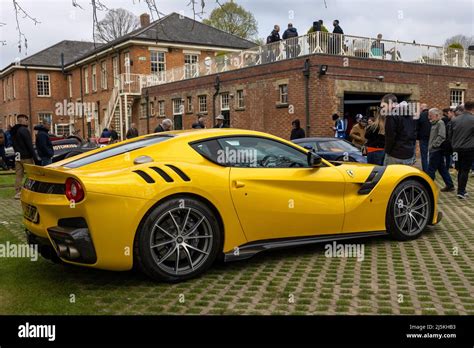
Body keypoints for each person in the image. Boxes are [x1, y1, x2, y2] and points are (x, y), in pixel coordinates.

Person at [382, 94, 417, 165]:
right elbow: (414, 134)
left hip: (395, 155)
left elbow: (390, 137)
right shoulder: (411, 115)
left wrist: (387, 151)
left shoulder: (392, 115)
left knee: (390, 175)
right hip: (409, 154)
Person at [11, 114, 39, 199]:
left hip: (17, 156)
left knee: (18, 175)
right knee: (31, 174)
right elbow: (29, 145)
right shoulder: (24, 130)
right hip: (26, 156)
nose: (27, 121)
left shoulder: (13, 131)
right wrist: (35, 158)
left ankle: (18, 192)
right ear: (22, 120)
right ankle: (32, 191)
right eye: (26, 120)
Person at [449, 101, 474, 199]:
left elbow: (450, 135)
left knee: (459, 169)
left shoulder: (454, 120)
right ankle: (461, 191)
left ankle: (461, 189)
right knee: (465, 170)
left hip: (456, 149)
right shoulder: (473, 119)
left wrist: (453, 145)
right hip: (468, 149)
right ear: (472, 108)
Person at [426, 108, 454, 192]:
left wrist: (434, 145)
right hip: (435, 150)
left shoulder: (440, 123)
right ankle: (450, 185)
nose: (429, 117)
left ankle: (428, 187)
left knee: (431, 169)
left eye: (430, 116)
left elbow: (442, 136)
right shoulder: (434, 123)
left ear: (437, 115)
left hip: (436, 150)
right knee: (442, 168)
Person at [416, 103, 431, 172]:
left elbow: (417, 126)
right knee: (431, 154)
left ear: (422, 108)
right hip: (432, 137)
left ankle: (425, 170)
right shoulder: (431, 114)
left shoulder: (420, 115)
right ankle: (431, 169)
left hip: (423, 137)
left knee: (424, 155)